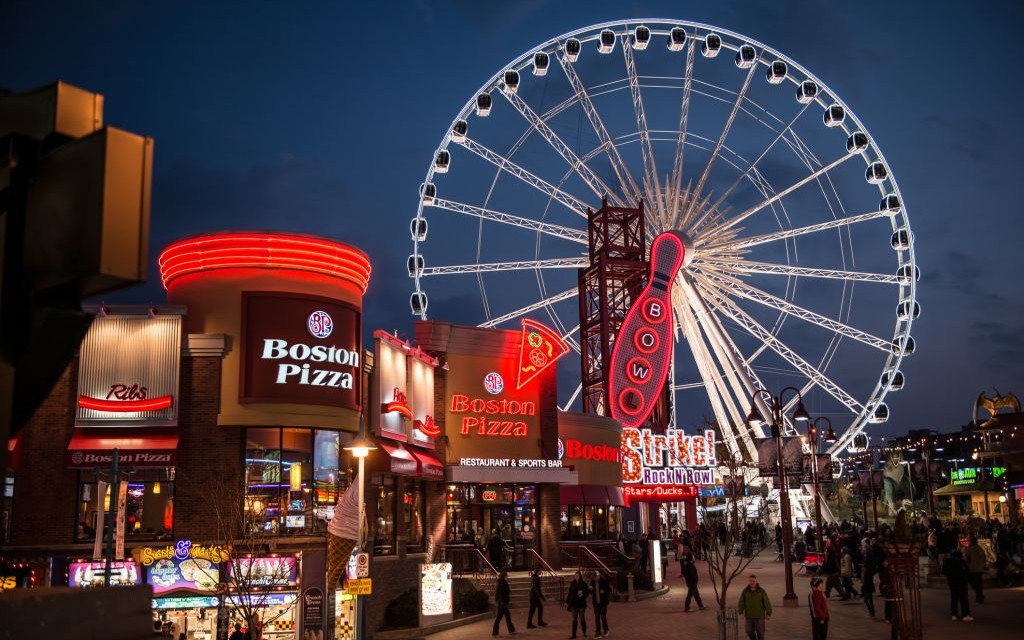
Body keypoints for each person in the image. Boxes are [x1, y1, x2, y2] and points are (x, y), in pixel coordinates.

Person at [737, 574, 771, 640]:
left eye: (753, 581)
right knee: (748, 631)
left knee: (760, 634)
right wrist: (740, 612)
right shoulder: (745, 591)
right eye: (750, 581)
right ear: (749, 581)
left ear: (756, 581)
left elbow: (767, 602)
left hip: (759, 616)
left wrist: (768, 613)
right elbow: (741, 602)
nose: (752, 582)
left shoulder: (761, 591)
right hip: (749, 616)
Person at [942, 549, 973, 621]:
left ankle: (954, 614)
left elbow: (944, 571)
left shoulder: (947, 561)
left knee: (954, 599)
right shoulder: (960, 562)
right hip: (961, 582)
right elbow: (966, 571)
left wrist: (950, 576)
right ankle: (965, 614)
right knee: (963, 599)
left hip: (952, 582)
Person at [566, 570, 589, 639]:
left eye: (577, 576)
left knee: (582, 618)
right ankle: (574, 634)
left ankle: (584, 632)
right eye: (575, 576)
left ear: (580, 576)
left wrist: (582, 594)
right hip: (574, 604)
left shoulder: (584, 584)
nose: (576, 577)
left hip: (581, 603)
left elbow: (586, 594)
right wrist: (567, 601)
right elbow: (570, 593)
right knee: (574, 619)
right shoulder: (572, 583)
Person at [492, 569, 516, 636]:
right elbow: (502, 594)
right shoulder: (503, 583)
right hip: (502, 603)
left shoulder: (499, 582)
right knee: (501, 617)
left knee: (503, 617)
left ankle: (496, 631)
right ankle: (496, 632)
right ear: (504, 576)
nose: (507, 577)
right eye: (506, 576)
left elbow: (498, 594)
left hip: (500, 603)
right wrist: (504, 602)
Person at [590, 570, 611, 638]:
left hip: (603, 603)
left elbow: (609, 590)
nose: (595, 578)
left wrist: (604, 591)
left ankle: (606, 630)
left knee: (603, 617)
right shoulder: (592, 582)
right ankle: (598, 631)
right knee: (597, 618)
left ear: (598, 575)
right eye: (594, 577)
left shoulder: (604, 581)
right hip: (596, 603)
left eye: (596, 577)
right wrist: (590, 589)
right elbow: (591, 592)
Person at [966, 535, 986, 604]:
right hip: (980, 568)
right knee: (979, 583)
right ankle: (979, 597)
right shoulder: (980, 548)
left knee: (973, 583)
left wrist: (968, 566)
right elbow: (984, 557)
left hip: (973, 568)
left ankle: (979, 595)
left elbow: (967, 559)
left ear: (971, 542)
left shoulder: (969, 549)